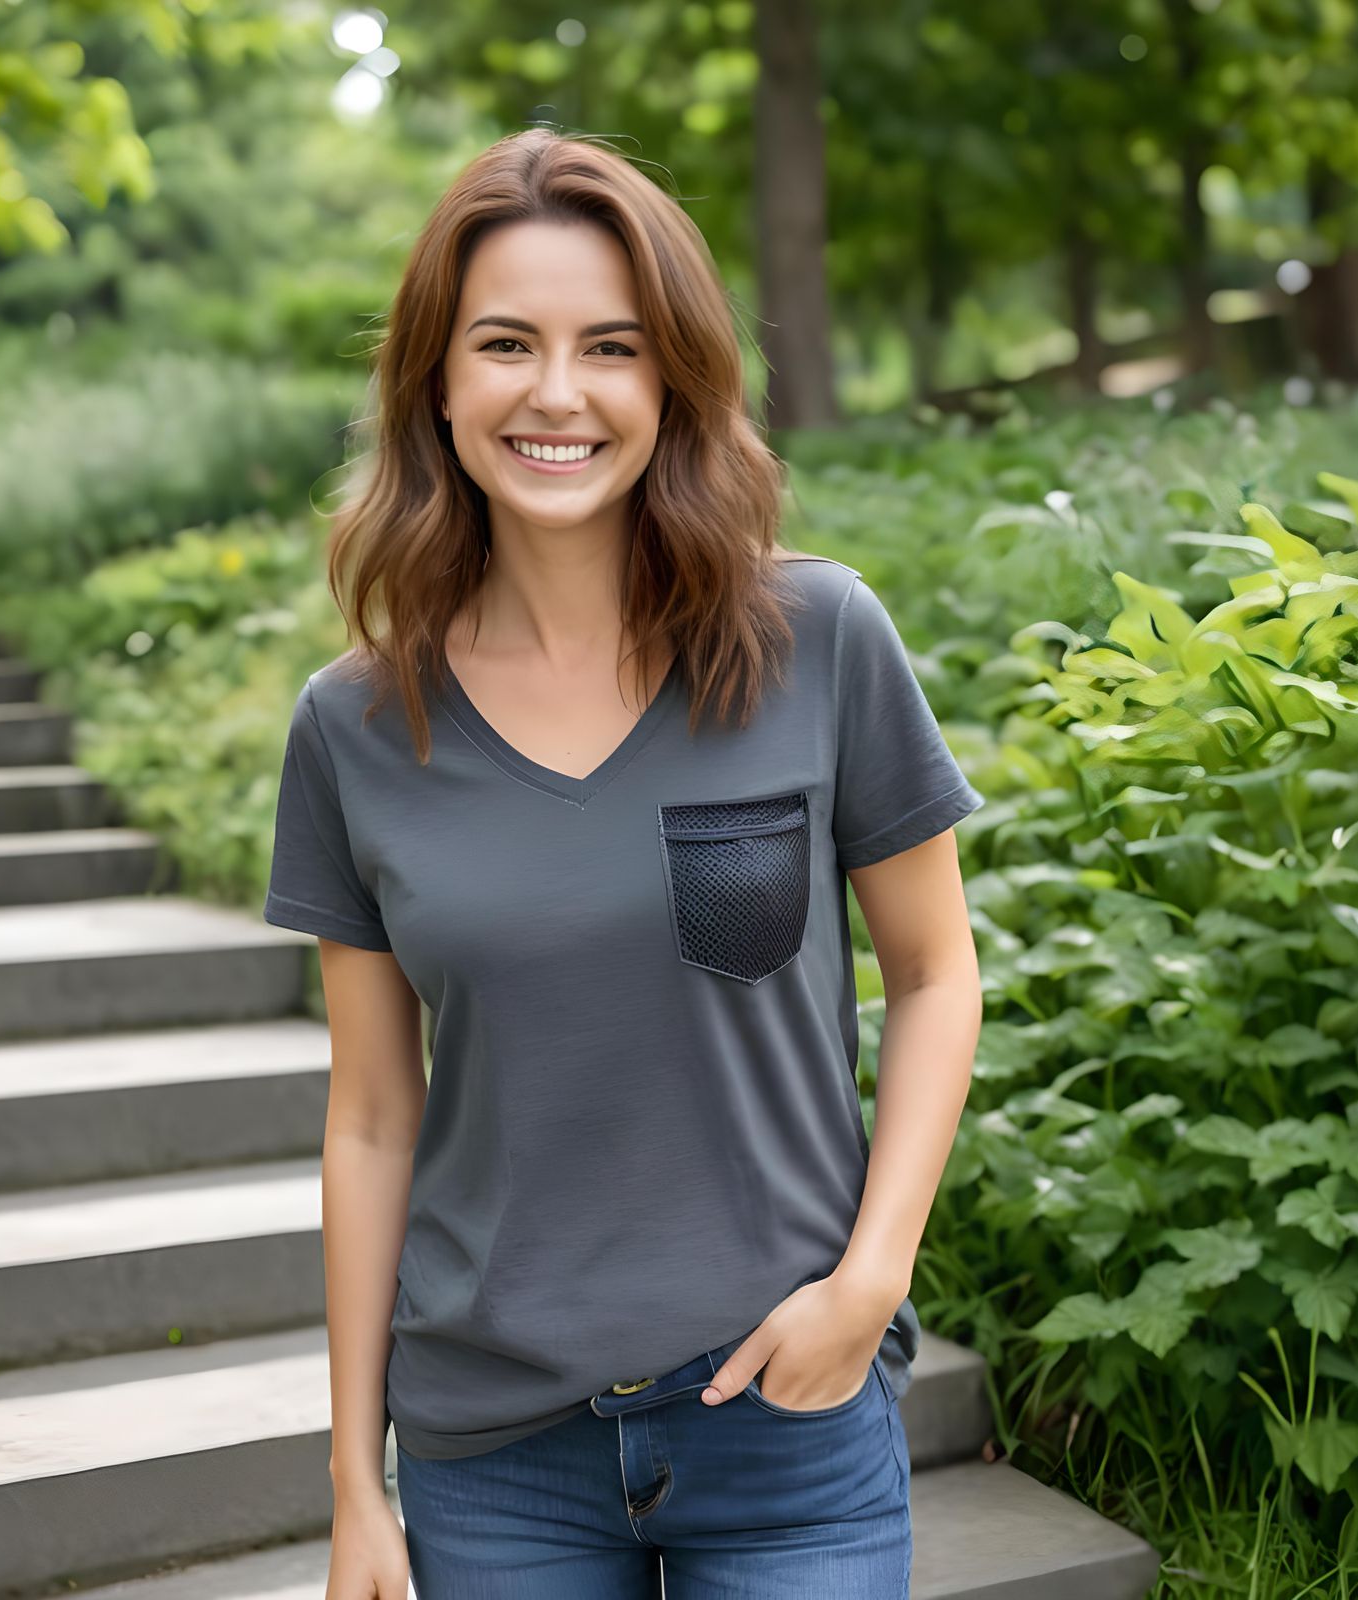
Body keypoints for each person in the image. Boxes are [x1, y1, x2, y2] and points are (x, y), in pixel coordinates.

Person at [264, 128, 985, 1600]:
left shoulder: (820, 642)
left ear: (672, 380)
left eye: (611, 346)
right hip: (493, 1459)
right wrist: (353, 1480)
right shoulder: (352, 727)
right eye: (505, 344)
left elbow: (932, 970)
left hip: (786, 1418)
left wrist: (873, 1283)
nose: (557, 393)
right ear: (436, 385)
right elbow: (373, 1121)